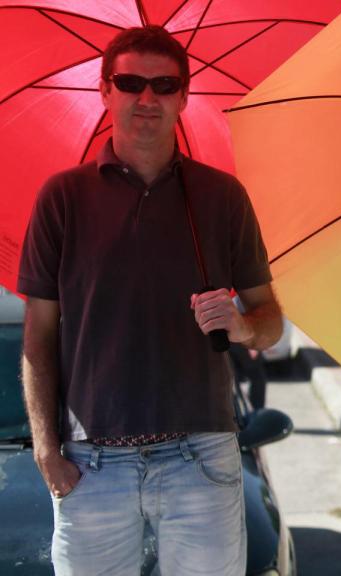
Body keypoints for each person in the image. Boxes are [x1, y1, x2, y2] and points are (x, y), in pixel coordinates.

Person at [18, 25, 282, 575]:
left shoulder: (220, 196)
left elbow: (270, 319)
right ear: (105, 90)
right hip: (89, 461)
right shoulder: (62, 198)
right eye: (130, 81)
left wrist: (242, 327)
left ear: (184, 97)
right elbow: (38, 335)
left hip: (200, 458)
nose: (147, 98)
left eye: (164, 85)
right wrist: (47, 448)